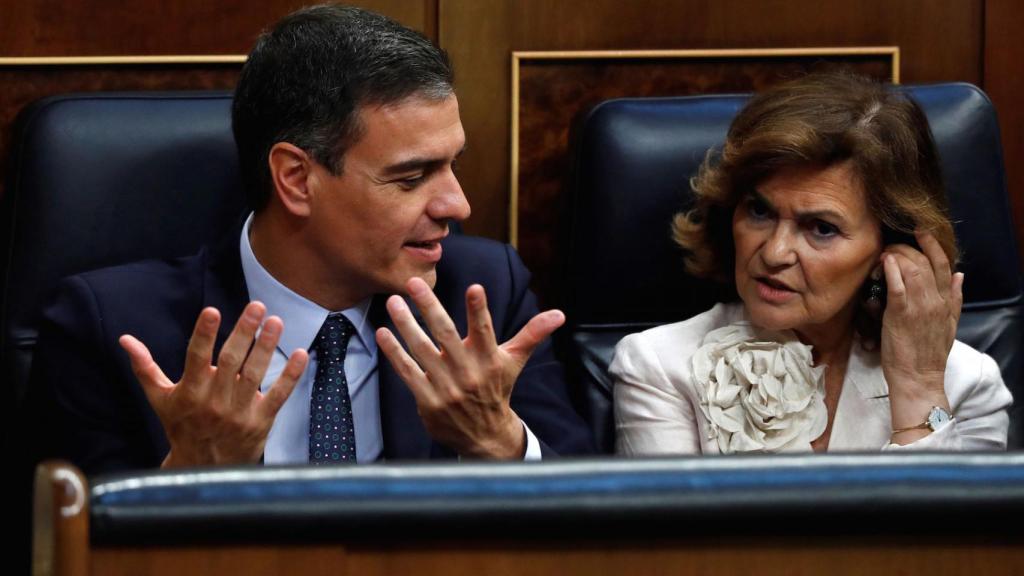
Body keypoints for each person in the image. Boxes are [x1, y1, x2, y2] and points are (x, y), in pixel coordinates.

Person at [28, 4, 595, 474]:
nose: (458, 205)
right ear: (297, 179)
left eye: (453, 165)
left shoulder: (482, 296)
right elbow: (60, 547)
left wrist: (497, 440)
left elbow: (596, 525)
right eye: (411, 177)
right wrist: (190, 476)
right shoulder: (111, 329)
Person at [611, 71, 1012, 455]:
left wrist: (919, 390)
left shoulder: (967, 384)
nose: (774, 253)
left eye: (821, 228)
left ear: (888, 253)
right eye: (759, 211)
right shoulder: (661, 367)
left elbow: (950, 509)